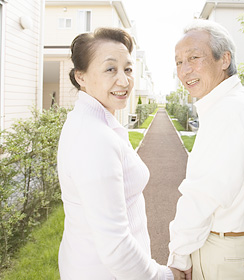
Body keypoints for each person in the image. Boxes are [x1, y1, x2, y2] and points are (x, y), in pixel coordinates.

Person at [57, 27, 185, 280]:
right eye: (110, 69)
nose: (124, 81)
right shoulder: (94, 138)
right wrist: (165, 276)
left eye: (127, 69)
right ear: (80, 77)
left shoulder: (94, 123)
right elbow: (115, 246)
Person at [167, 20, 244, 280]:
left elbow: (201, 197)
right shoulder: (242, 100)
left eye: (194, 57)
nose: (184, 70)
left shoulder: (228, 112)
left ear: (224, 59)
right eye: (179, 62)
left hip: (226, 256)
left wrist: (179, 257)